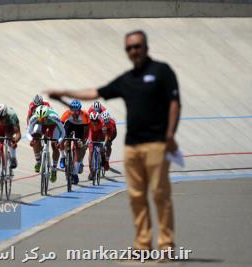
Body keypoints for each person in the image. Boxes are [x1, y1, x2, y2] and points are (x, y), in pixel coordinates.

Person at [46, 30, 180, 254]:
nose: (133, 51)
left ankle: (166, 246)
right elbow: (95, 92)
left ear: (145, 47)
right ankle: (142, 246)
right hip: (132, 147)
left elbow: (175, 103)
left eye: (137, 46)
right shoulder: (126, 79)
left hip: (156, 143)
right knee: (136, 196)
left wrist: (170, 134)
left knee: (159, 194)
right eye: (129, 48)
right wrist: (64, 93)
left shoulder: (162, 71)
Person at [26, 105, 65, 182]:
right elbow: (28, 132)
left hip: (53, 126)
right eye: (40, 118)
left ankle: (54, 169)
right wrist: (31, 140)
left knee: (54, 145)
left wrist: (59, 141)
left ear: (47, 116)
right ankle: (38, 160)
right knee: (36, 137)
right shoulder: (34, 118)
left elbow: (63, 132)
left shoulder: (54, 117)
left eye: (43, 118)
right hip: (41, 126)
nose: (41, 119)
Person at [60, 99, 90, 185]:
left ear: (79, 110)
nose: (74, 113)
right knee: (62, 139)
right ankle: (63, 157)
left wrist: (83, 141)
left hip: (80, 127)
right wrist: (61, 139)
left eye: (77, 111)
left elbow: (86, 131)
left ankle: (75, 173)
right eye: (73, 110)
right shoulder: (67, 113)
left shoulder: (85, 115)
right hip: (69, 125)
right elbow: (60, 126)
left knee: (79, 147)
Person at [87, 111, 106, 180]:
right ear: (91, 120)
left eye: (96, 121)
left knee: (101, 146)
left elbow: (104, 134)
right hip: (92, 134)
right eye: (93, 120)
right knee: (91, 150)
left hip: (100, 133)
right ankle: (91, 172)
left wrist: (104, 142)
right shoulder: (89, 123)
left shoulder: (102, 123)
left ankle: (103, 157)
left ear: (98, 120)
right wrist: (87, 141)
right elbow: (88, 133)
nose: (94, 122)